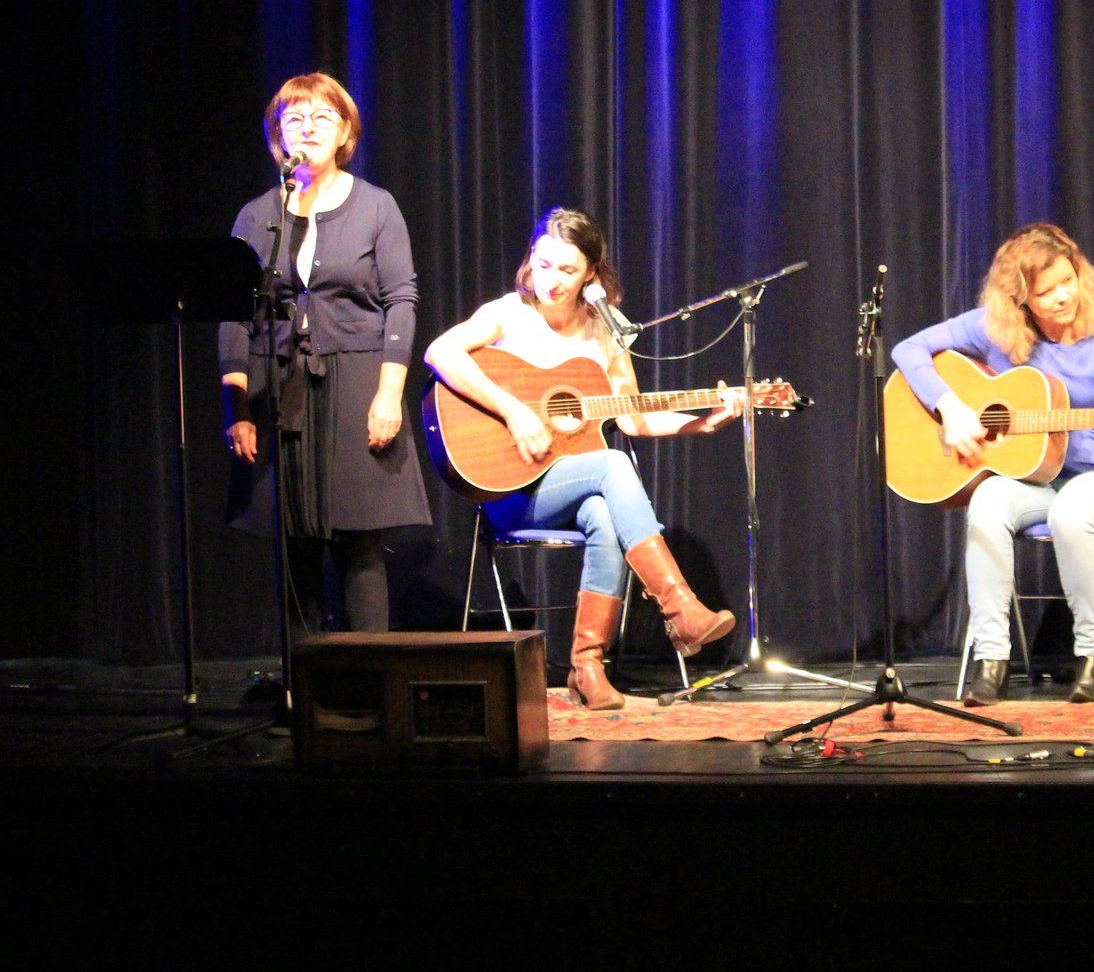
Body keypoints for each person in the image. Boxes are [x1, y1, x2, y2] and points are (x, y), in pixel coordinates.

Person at [424, 207, 744, 710]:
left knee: (605, 513)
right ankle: (678, 607)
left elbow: (632, 418)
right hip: (510, 491)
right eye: (543, 264)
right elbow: (440, 353)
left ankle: (587, 667)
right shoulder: (508, 313)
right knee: (613, 465)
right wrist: (513, 412)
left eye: (567, 270)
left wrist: (701, 422)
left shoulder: (605, 331)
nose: (550, 280)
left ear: (591, 273)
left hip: (571, 490)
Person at [892, 223, 1094, 705]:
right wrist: (950, 406)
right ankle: (992, 661)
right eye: (1045, 291)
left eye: (1068, 281)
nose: (1063, 296)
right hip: (1034, 479)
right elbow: (906, 349)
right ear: (1020, 301)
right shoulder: (994, 328)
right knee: (987, 503)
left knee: (1072, 512)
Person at [220, 72, 431, 635]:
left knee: (360, 543)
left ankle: (372, 674)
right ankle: (305, 678)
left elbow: (401, 300)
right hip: (279, 387)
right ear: (278, 136)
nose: (307, 128)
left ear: (345, 133)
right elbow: (235, 314)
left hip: (358, 381)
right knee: (295, 546)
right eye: (294, 119)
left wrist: (389, 395)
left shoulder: (376, 206)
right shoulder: (256, 215)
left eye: (322, 117)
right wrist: (238, 408)